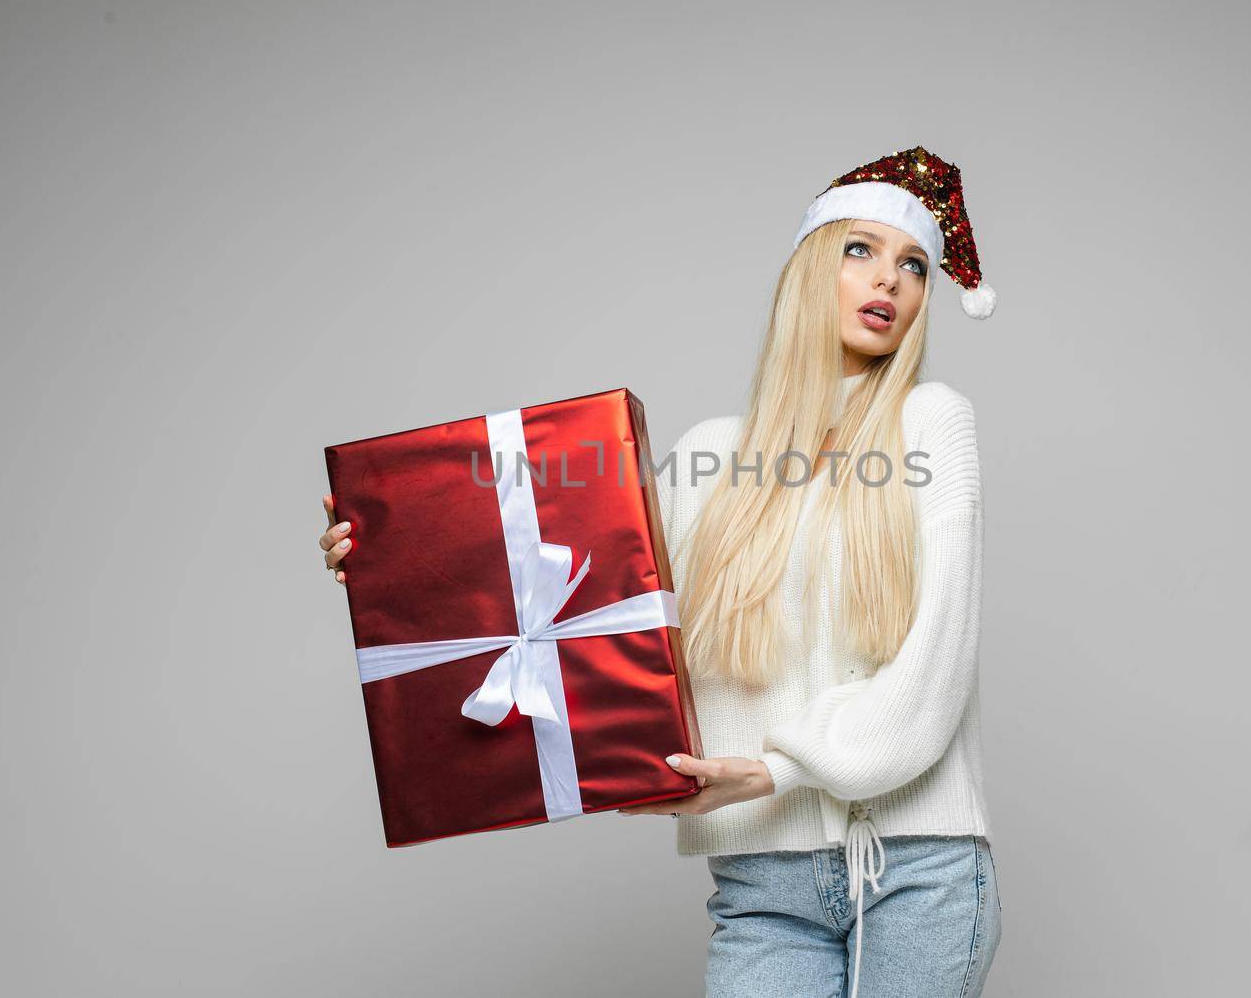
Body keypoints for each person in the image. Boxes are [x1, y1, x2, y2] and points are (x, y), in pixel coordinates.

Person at [319, 146, 1002, 997]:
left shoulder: (934, 424)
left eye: (913, 266)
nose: (889, 282)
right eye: (860, 250)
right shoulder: (711, 457)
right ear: (808, 270)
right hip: (763, 885)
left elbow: (935, 663)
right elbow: (582, 604)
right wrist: (399, 568)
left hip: (915, 870)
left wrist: (778, 769)